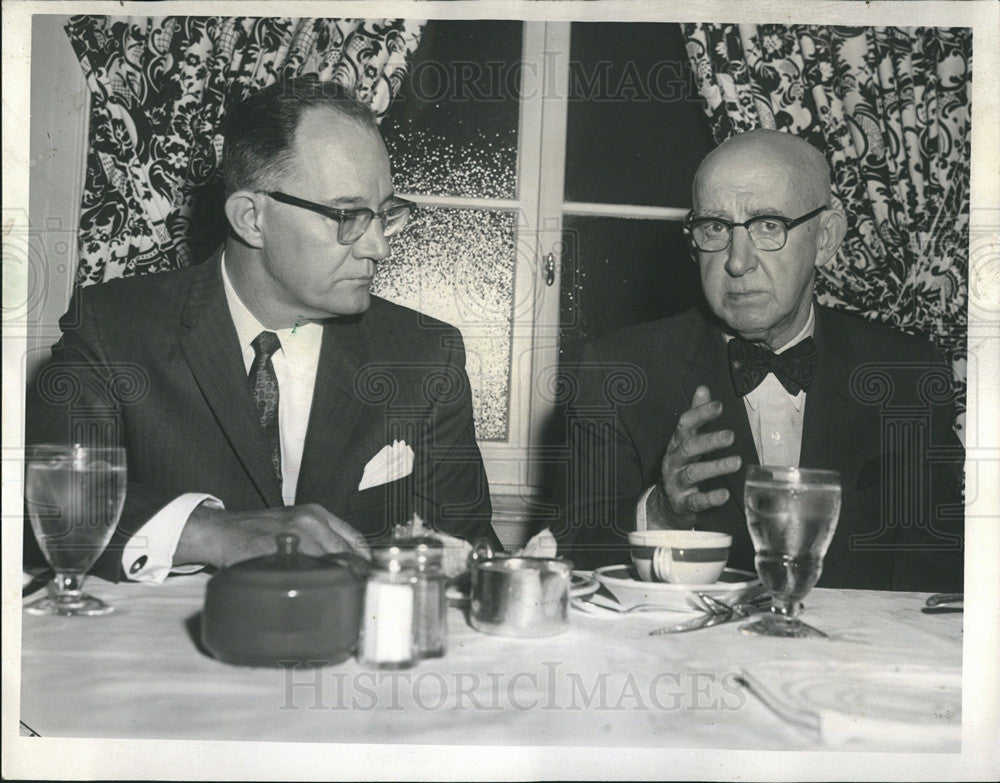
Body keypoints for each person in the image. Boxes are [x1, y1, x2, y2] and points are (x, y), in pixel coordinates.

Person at [25, 76, 499, 583]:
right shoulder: (112, 328)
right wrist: (213, 532)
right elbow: (48, 511)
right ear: (251, 218)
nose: (378, 247)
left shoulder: (426, 354)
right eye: (348, 216)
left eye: (384, 215)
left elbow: (468, 554)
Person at [555, 129, 963, 592]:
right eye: (714, 228)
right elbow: (570, 560)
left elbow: (940, 578)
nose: (736, 262)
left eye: (769, 225)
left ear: (826, 238)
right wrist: (663, 513)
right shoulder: (615, 372)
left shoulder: (905, 373)